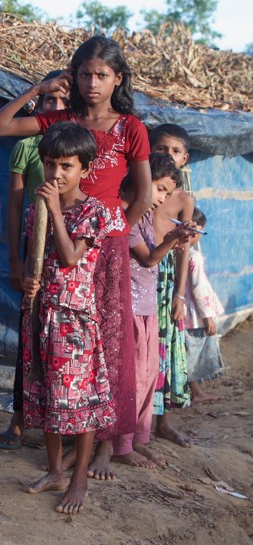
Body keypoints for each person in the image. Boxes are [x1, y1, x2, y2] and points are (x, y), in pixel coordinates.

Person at [0, 36, 152, 479]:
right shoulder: (61, 120)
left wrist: (112, 232)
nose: (92, 83)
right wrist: (37, 91)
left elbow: (144, 193)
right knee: (58, 343)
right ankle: (63, 444)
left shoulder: (130, 127)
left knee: (107, 346)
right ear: (72, 76)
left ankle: (103, 444)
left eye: (102, 75)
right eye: (84, 74)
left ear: (118, 78)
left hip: (104, 246)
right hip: (56, 246)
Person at [20, 122, 113, 514]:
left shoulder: (94, 211)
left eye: (66, 166)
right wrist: (28, 281)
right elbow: (35, 257)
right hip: (41, 315)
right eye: (49, 164)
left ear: (85, 169)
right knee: (44, 394)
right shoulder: (34, 210)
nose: (56, 174)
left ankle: (78, 482)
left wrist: (56, 211)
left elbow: (71, 256)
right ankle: (55, 469)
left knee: (77, 399)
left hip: (74, 321)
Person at [0, 70, 70, 450]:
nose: (55, 107)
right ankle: (20, 415)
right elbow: (14, 206)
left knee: (67, 332)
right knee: (30, 325)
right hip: (36, 246)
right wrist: (15, 259)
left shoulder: (80, 146)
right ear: (39, 106)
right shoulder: (26, 147)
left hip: (72, 245)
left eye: (62, 101)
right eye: (48, 101)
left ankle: (66, 418)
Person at [112, 153, 194, 469]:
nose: (162, 199)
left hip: (146, 308)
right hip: (128, 309)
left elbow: (156, 251)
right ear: (142, 182)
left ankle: (139, 439)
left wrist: (178, 238)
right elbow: (148, 258)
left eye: (167, 193)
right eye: (160, 189)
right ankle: (121, 445)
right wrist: (173, 238)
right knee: (130, 379)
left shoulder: (144, 215)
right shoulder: (125, 215)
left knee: (147, 376)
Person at [149, 124, 195, 446]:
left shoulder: (184, 199)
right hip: (141, 268)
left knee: (166, 345)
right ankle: (133, 421)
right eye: (161, 149)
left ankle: (162, 422)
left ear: (185, 158)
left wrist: (180, 293)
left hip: (165, 281)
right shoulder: (140, 186)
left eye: (175, 151)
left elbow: (185, 249)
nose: (168, 155)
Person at [182, 208, 225, 403]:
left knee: (187, 353)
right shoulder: (194, 257)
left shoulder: (174, 252)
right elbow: (199, 288)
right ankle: (195, 392)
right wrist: (208, 317)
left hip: (184, 313)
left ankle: (194, 390)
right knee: (193, 356)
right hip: (196, 316)